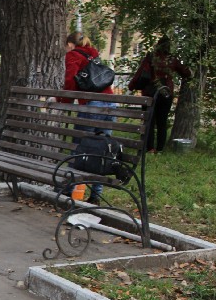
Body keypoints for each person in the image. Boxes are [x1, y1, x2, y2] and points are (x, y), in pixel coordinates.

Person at [62, 31, 117, 204]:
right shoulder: (93, 54)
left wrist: (60, 100)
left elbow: (70, 82)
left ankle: (67, 192)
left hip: (93, 106)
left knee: (79, 148)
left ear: (70, 44)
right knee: (102, 151)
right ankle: (96, 195)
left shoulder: (73, 55)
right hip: (110, 105)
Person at [128, 35, 192, 153]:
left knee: (149, 122)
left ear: (157, 45)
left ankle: (150, 148)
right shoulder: (172, 59)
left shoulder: (151, 57)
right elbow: (186, 73)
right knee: (162, 121)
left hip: (149, 93)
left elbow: (140, 73)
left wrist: (131, 87)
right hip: (166, 93)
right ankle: (160, 148)